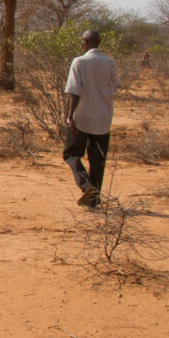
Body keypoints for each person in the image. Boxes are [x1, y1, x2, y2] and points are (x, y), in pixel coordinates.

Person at [63, 29, 118, 207]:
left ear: (85, 42)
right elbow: (115, 86)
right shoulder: (109, 62)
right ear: (99, 42)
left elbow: (74, 92)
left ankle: (87, 186)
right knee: (97, 161)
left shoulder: (79, 62)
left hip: (83, 116)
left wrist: (70, 116)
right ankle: (94, 198)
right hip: (103, 117)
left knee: (71, 154)